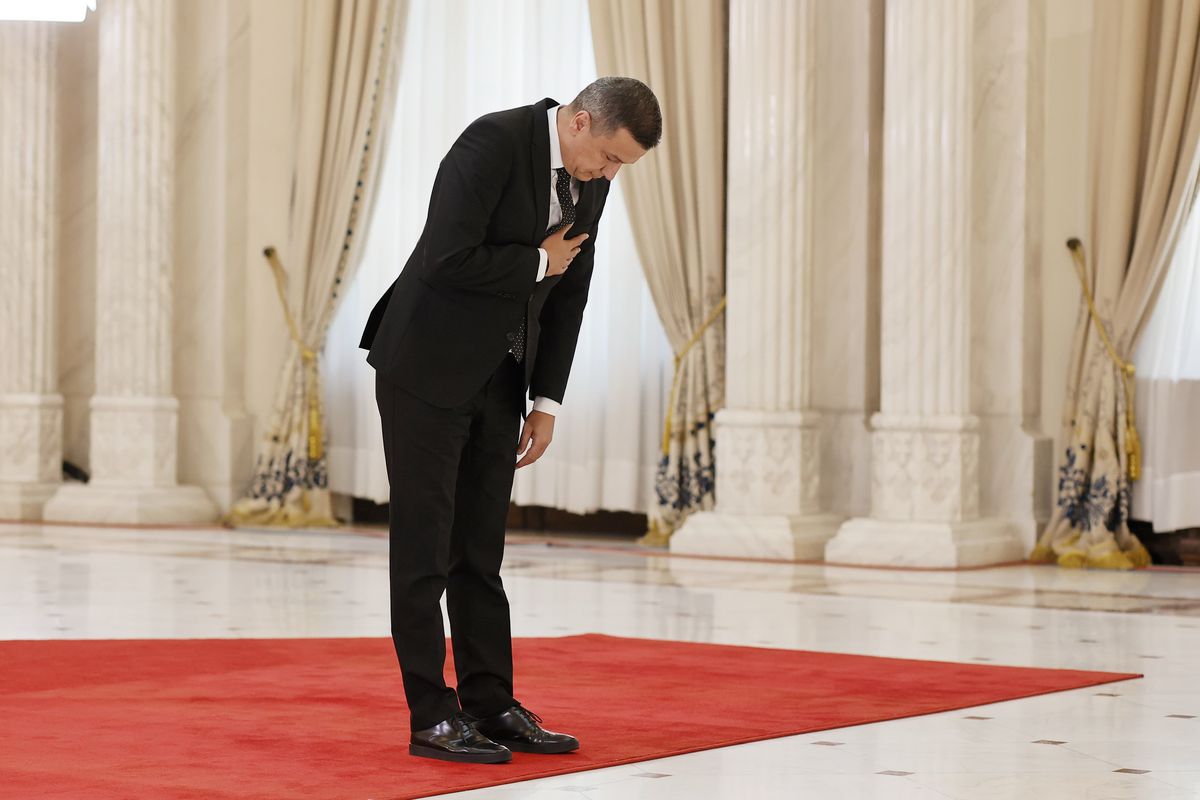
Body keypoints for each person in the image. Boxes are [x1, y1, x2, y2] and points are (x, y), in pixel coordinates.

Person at [359, 77, 662, 764]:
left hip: (500, 377)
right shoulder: (491, 142)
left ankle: (491, 704)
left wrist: (546, 401)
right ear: (580, 122)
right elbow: (447, 256)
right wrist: (536, 260)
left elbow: (571, 292)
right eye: (609, 158)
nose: (609, 176)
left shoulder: (592, 178)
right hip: (425, 368)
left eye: (621, 167)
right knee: (423, 553)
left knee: (480, 554)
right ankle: (432, 717)